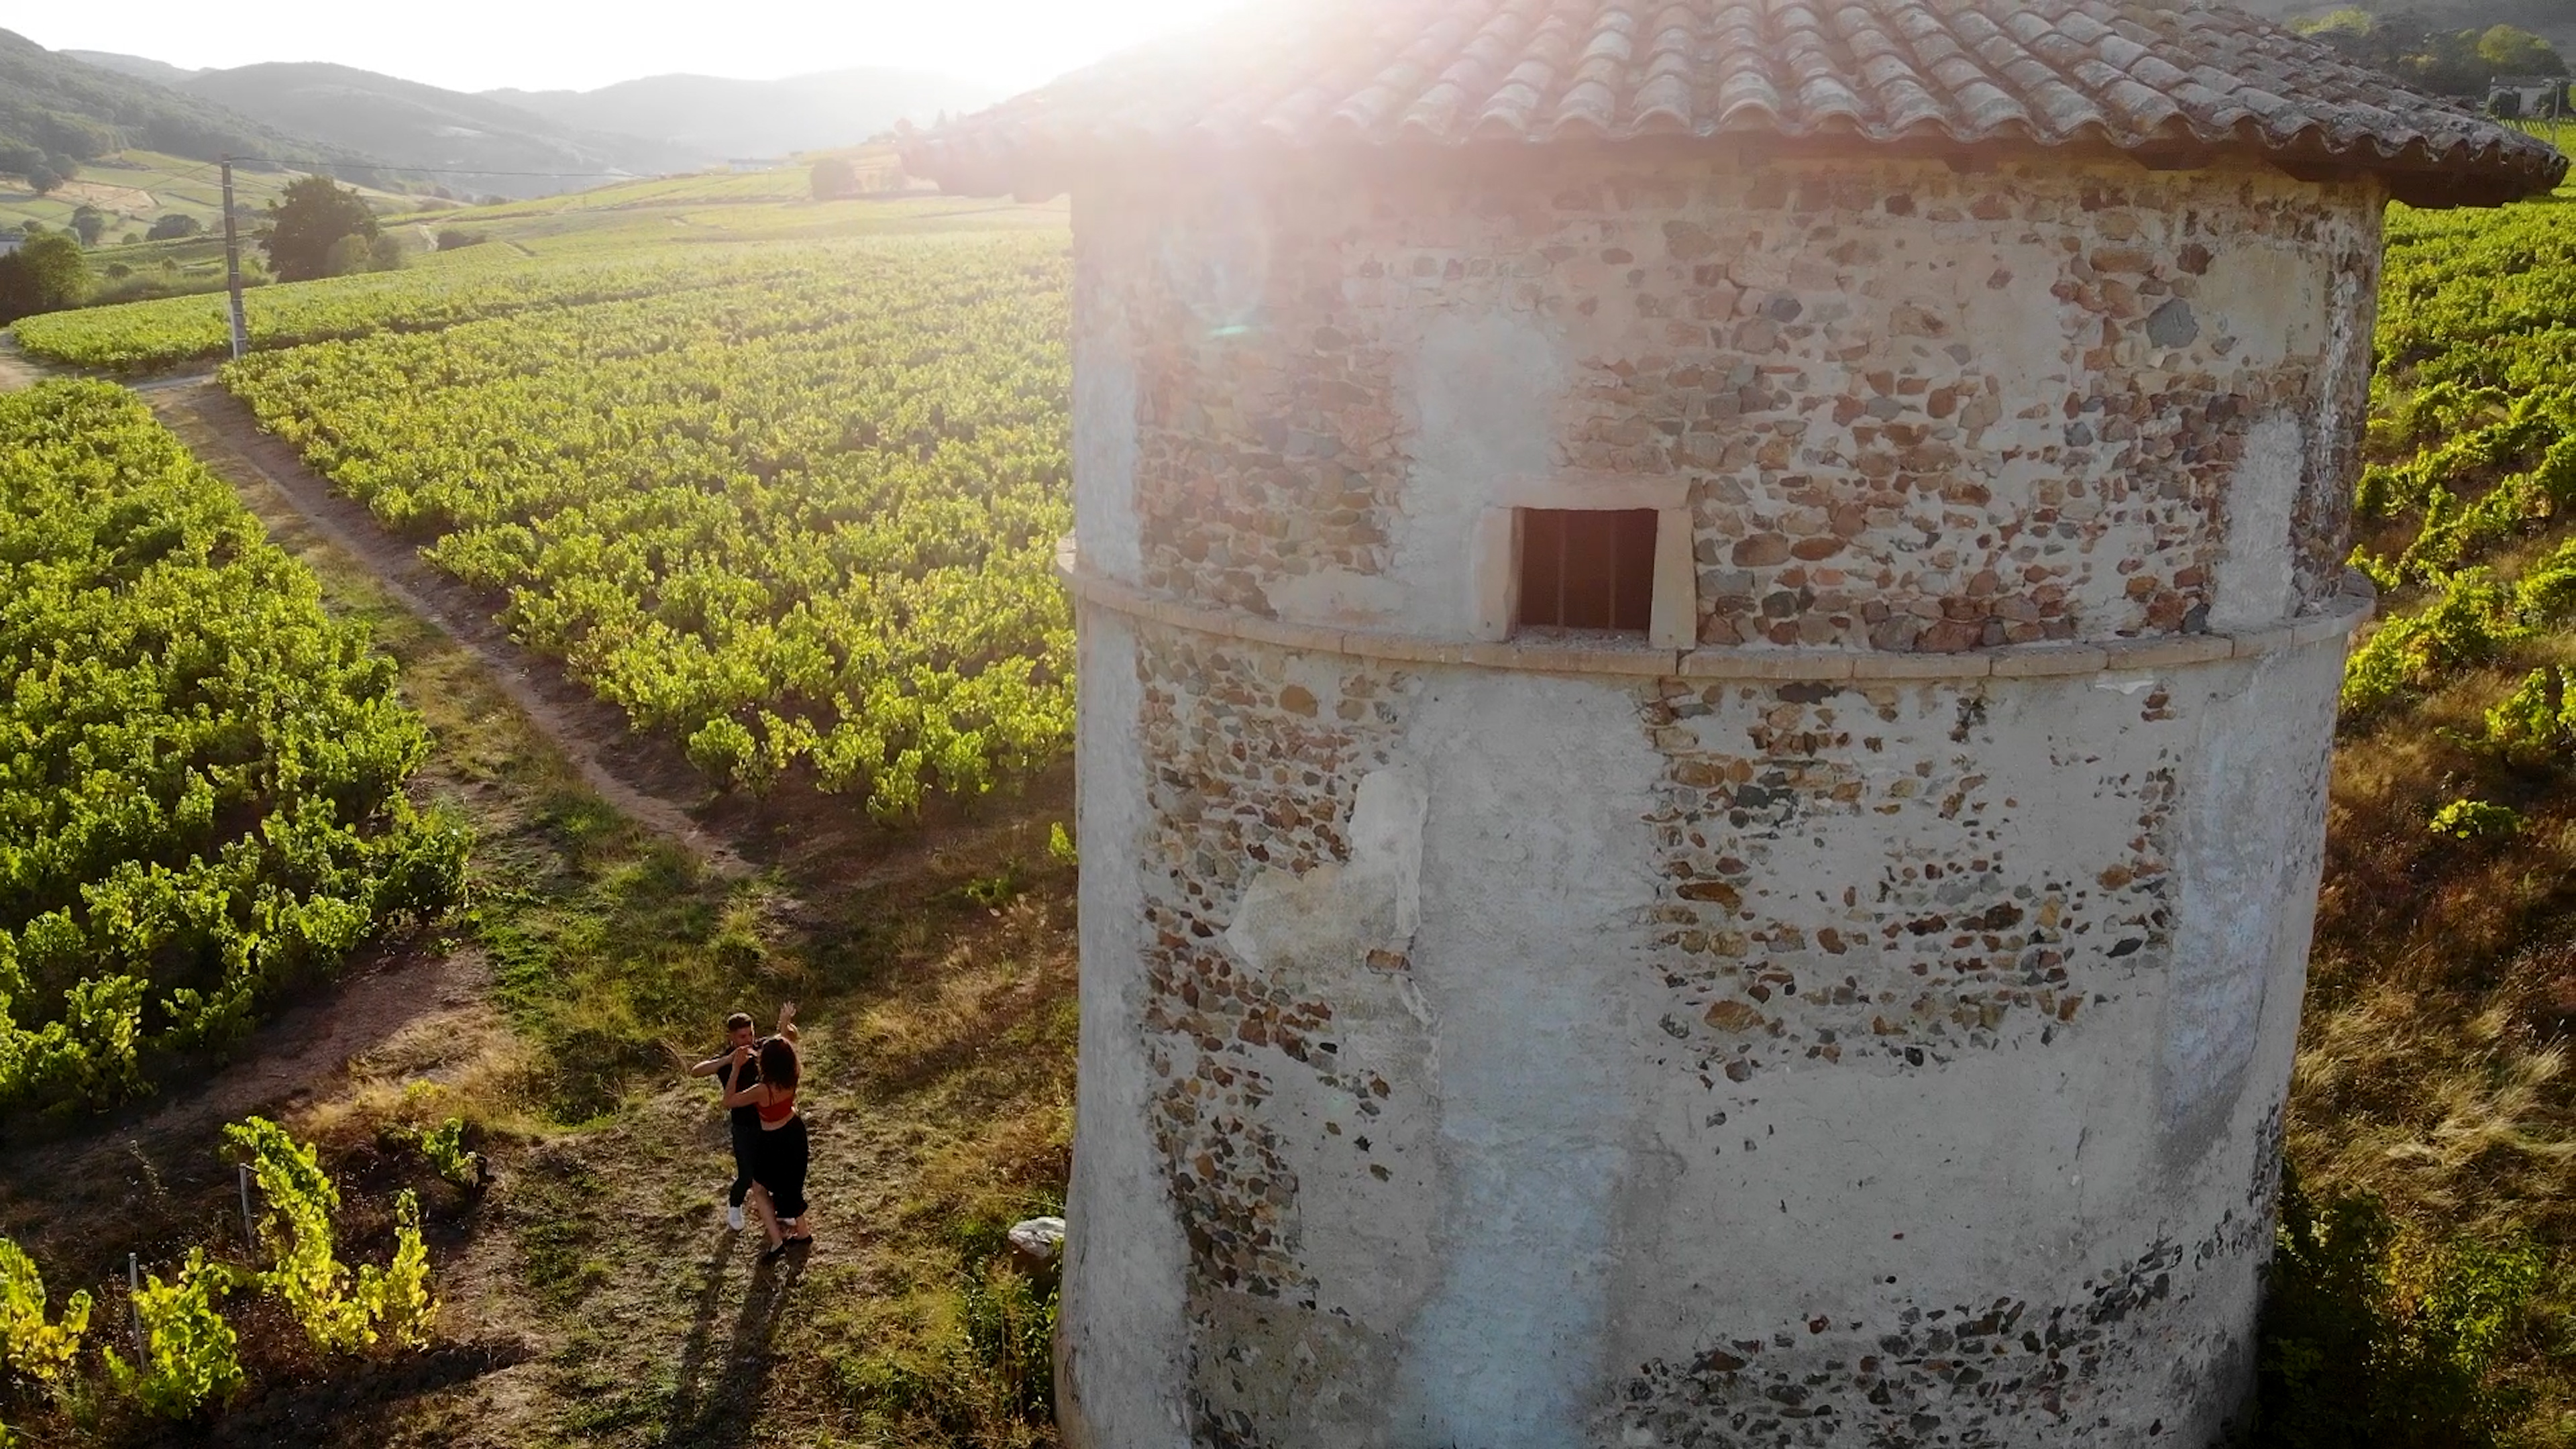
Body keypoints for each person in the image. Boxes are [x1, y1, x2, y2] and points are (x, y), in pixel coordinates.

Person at [719, 1002, 810, 1261]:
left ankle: (776, 1243)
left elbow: (729, 1101)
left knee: (759, 1189)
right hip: (795, 1132)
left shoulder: (762, 1089)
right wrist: (782, 1024)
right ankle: (803, 1233)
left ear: (767, 1063)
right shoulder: (792, 1073)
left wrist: (735, 1068)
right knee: (791, 1187)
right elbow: (786, 1043)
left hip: (774, 1141)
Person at [682, 1011, 762, 1232]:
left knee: (771, 1169)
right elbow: (696, 1071)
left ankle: (777, 1210)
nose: (749, 1041)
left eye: (751, 1035)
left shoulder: (760, 1048)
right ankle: (735, 1206)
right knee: (746, 1174)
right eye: (743, 1037)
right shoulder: (727, 1060)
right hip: (743, 1125)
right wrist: (729, 1060)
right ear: (732, 1038)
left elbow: (785, 1040)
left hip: (766, 1120)